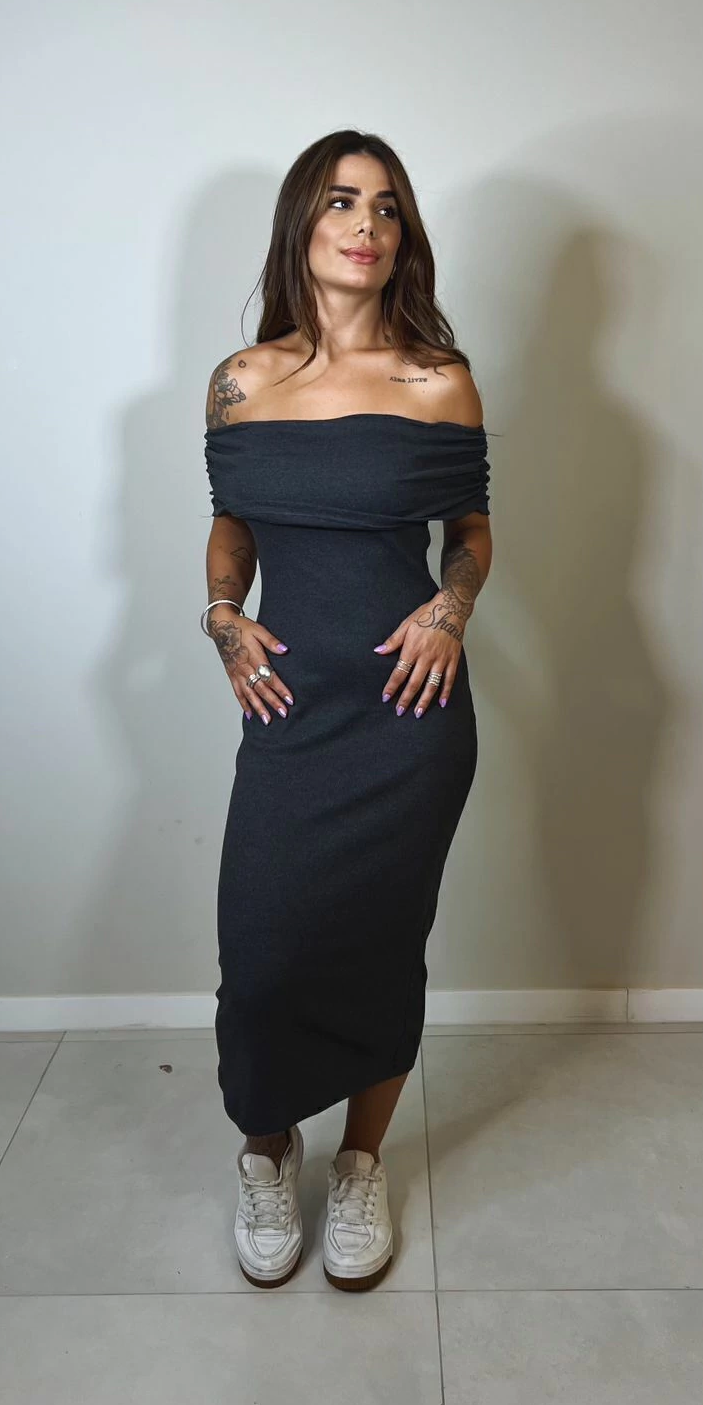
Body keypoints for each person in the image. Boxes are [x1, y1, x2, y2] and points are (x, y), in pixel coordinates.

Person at [202, 129, 492, 1293]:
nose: (364, 224)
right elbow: (230, 519)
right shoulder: (241, 380)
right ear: (301, 223)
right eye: (339, 201)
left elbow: (469, 533)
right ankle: (267, 1152)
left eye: (384, 206)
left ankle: (361, 1163)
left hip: (407, 712)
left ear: (401, 235)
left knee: (380, 947)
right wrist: (223, 612)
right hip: (288, 708)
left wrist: (449, 611)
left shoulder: (437, 380)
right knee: (261, 950)